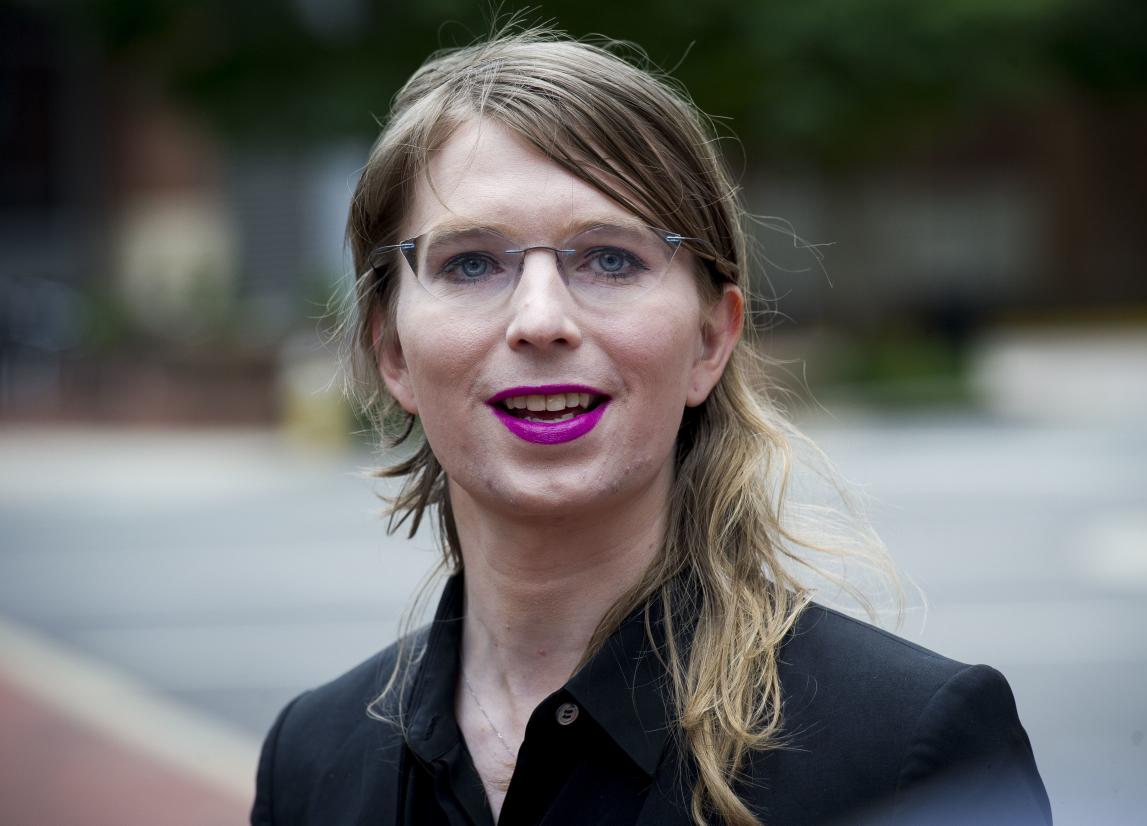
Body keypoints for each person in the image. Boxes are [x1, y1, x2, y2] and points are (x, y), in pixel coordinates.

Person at [251, 29, 1052, 826]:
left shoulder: (911, 750)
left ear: (710, 338)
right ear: (391, 349)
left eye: (608, 258)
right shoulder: (310, 762)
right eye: (470, 262)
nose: (540, 319)